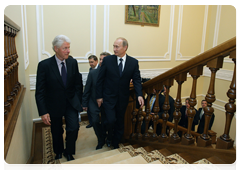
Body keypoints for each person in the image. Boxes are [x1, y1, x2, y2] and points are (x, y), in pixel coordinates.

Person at [35, 35, 82, 161]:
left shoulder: (73, 62)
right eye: (65, 48)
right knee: (56, 131)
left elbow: (78, 84)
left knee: (73, 128)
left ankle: (69, 151)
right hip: (53, 105)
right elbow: (40, 91)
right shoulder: (44, 65)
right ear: (56, 48)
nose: (68, 51)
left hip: (71, 103)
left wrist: (79, 101)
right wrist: (43, 111)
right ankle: (59, 151)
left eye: (69, 48)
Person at [96, 37, 144, 149]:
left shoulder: (133, 62)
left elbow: (136, 80)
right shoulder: (108, 60)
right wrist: (99, 96)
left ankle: (115, 142)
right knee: (110, 120)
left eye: (117, 46)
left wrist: (139, 95)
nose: (114, 49)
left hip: (123, 98)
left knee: (120, 121)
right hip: (108, 97)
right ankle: (108, 137)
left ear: (125, 47)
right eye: (114, 46)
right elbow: (100, 79)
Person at [82, 52, 111, 150]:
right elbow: (87, 89)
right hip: (93, 101)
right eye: (101, 59)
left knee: (106, 122)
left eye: (104, 59)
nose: (102, 61)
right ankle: (100, 139)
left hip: (106, 103)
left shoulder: (112, 73)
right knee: (94, 121)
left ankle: (108, 138)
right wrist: (85, 103)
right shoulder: (93, 73)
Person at [86, 55, 99, 128]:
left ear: (96, 61)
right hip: (91, 94)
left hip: (98, 95)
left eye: (92, 62)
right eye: (89, 62)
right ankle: (91, 123)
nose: (90, 64)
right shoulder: (91, 69)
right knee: (90, 109)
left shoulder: (100, 69)